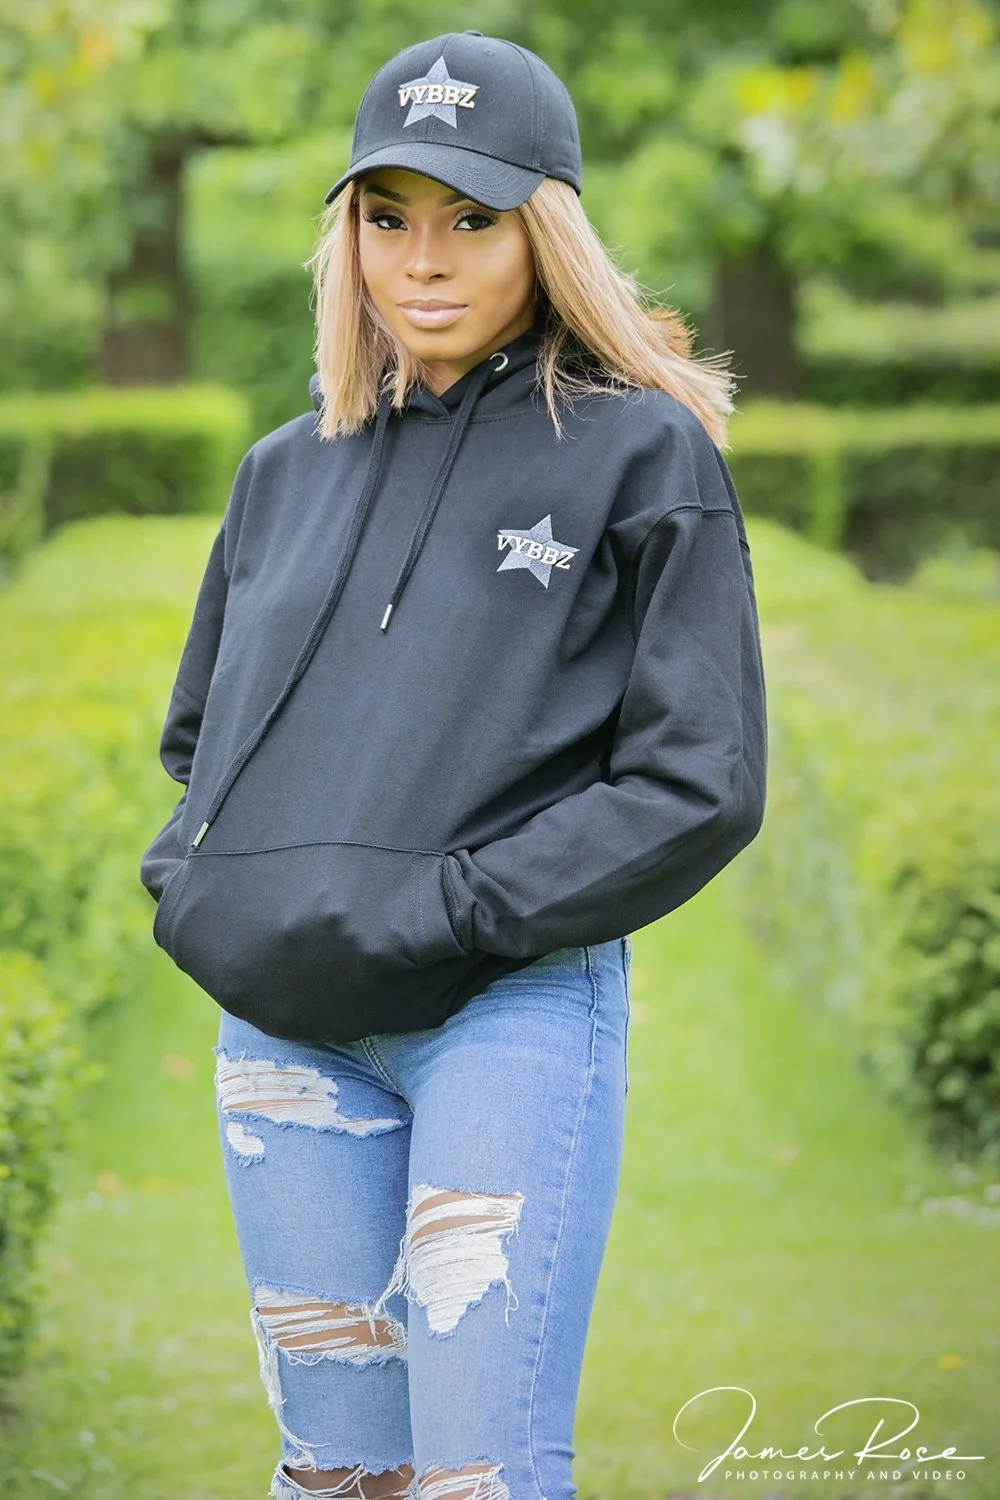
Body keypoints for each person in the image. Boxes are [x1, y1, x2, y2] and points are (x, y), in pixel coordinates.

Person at [139, 28, 768, 1500]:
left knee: (474, 1476)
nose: (423, 259)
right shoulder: (284, 469)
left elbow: (700, 777)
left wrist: (462, 909)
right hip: (285, 1035)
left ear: (542, 232)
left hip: (505, 1011)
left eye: (471, 219)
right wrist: (201, 887)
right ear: (346, 234)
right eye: (387, 216)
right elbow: (203, 741)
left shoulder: (637, 458)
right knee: (336, 1476)